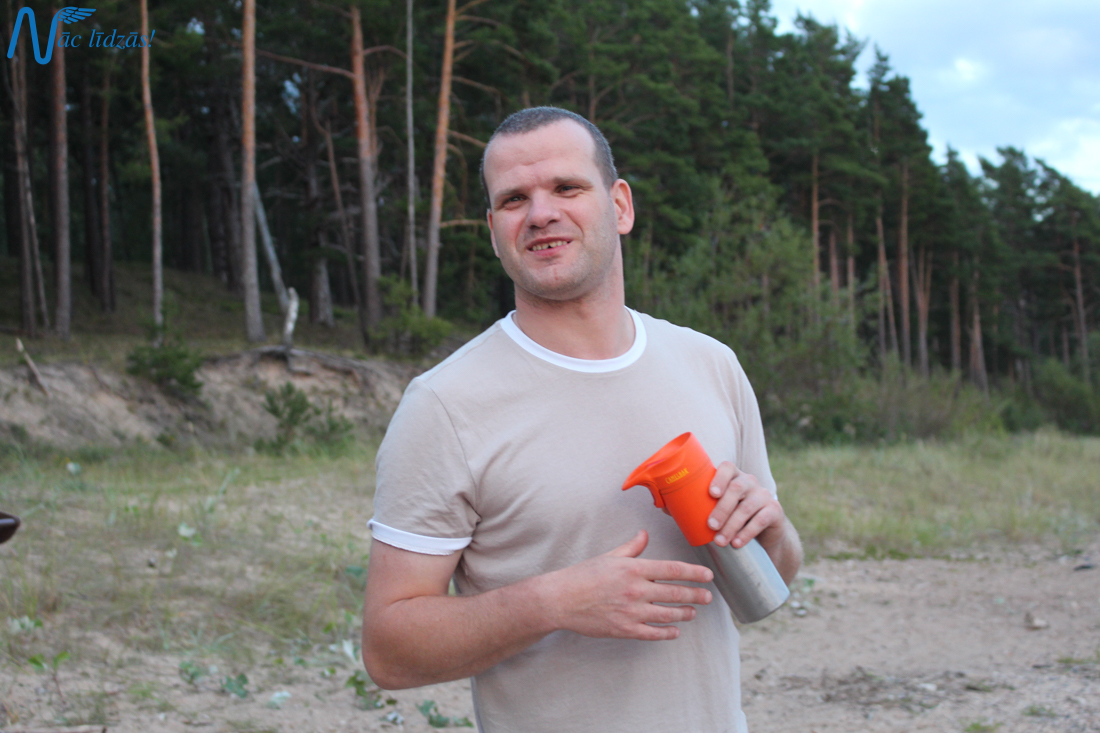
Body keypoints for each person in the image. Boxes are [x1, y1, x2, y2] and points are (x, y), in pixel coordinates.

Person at [362, 106, 802, 733]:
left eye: (566, 187)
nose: (541, 213)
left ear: (620, 206)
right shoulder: (444, 405)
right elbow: (388, 651)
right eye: (514, 199)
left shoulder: (712, 365)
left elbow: (769, 580)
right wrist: (551, 603)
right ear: (494, 230)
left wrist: (775, 534)